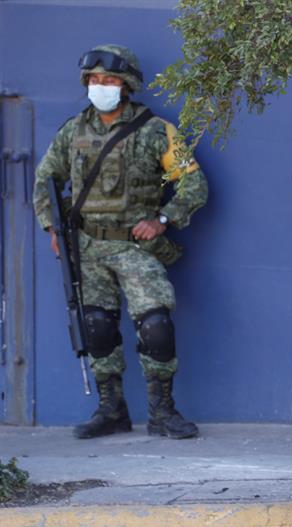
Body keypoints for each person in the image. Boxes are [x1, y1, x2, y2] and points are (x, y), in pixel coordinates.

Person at [33, 44, 207, 440]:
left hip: (135, 247)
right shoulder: (72, 131)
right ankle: (111, 410)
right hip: (88, 248)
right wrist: (52, 229)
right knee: (95, 326)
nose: (100, 86)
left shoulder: (156, 131)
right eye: (93, 80)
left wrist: (163, 219)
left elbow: (194, 184)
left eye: (108, 80)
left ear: (126, 85)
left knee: (157, 325)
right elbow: (45, 181)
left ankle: (163, 412)